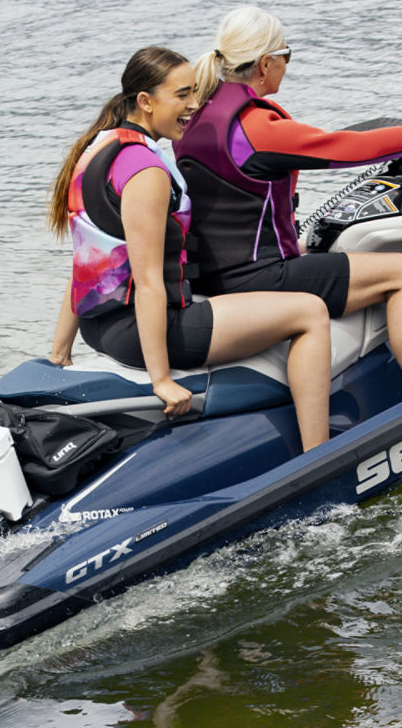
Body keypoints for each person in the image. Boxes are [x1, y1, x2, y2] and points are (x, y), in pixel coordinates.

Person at [48, 46, 332, 453]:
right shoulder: (146, 170)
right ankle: (317, 457)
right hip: (143, 330)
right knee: (310, 312)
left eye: (194, 93)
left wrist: (59, 352)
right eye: (182, 95)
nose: (194, 105)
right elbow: (147, 284)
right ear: (145, 102)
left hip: (99, 328)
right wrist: (162, 379)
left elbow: (88, 264)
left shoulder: (96, 147)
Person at [174, 6, 402, 396]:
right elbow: (349, 149)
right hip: (257, 278)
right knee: (400, 272)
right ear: (264, 64)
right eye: (286, 56)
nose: (286, 65)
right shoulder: (256, 127)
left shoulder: (194, 118)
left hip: (211, 275)